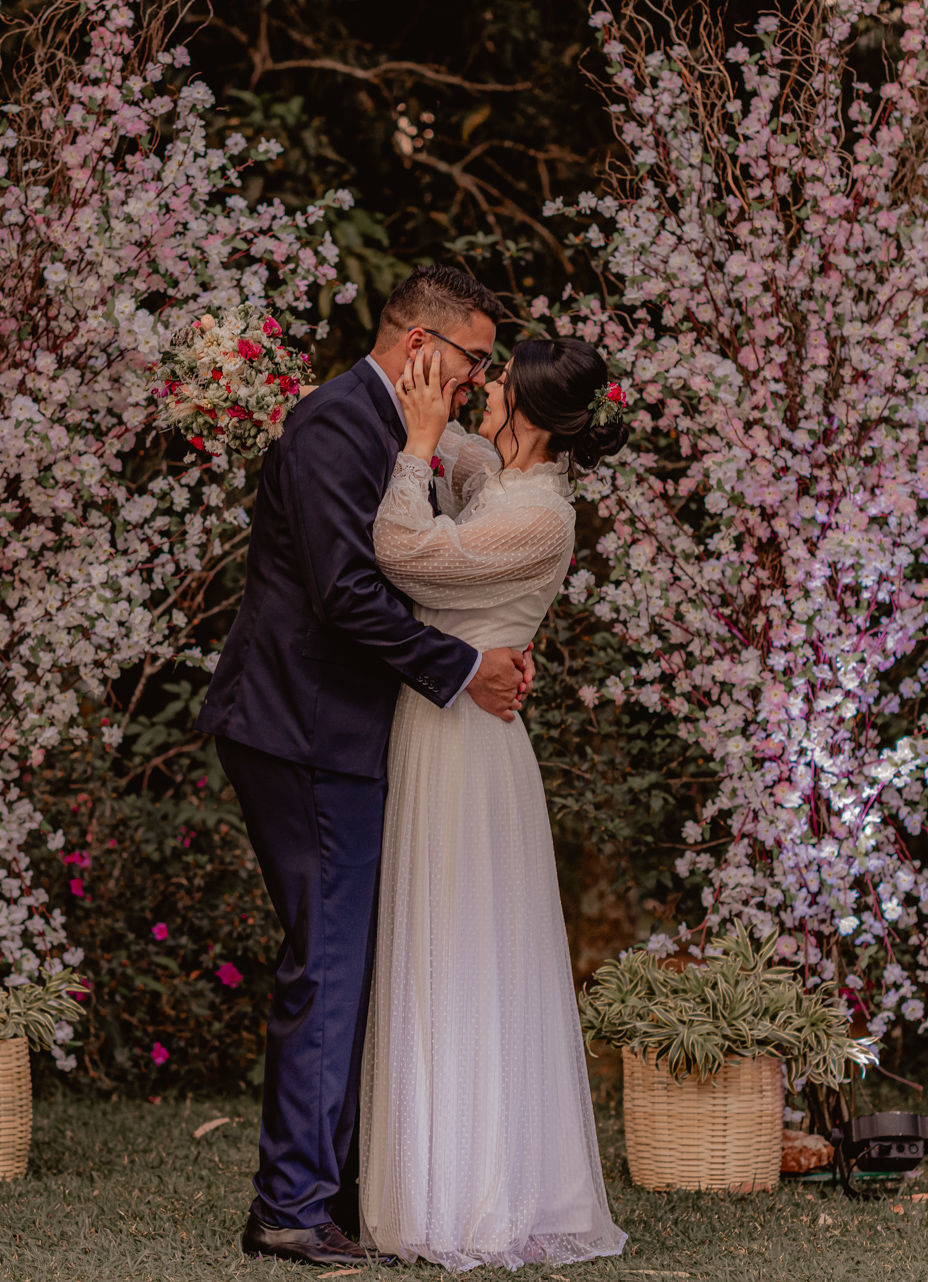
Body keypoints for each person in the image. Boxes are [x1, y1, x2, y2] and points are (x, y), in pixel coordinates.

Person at [197, 265, 536, 1268]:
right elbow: (345, 593)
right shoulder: (333, 426)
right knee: (329, 961)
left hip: (344, 731)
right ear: (420, 342)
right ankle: (289, 1210)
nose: (480, 378)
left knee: (345, 957)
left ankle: (327, 1191)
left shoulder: (398, 428)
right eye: (475, 357)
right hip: (302, 731)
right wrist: (465, 666)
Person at [358, 338, 631, 1270]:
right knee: (430, 937)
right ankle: (431, 1179)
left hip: (472, 751)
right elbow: (469, 457)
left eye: (498, 384)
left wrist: (416, 442)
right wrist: (428, 411)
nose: (484, 389)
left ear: (537, 416)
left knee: (468, 947)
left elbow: (404, 552)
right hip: (436, 723)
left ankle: (479, 1193)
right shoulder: (501, 475)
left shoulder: (541, 518)